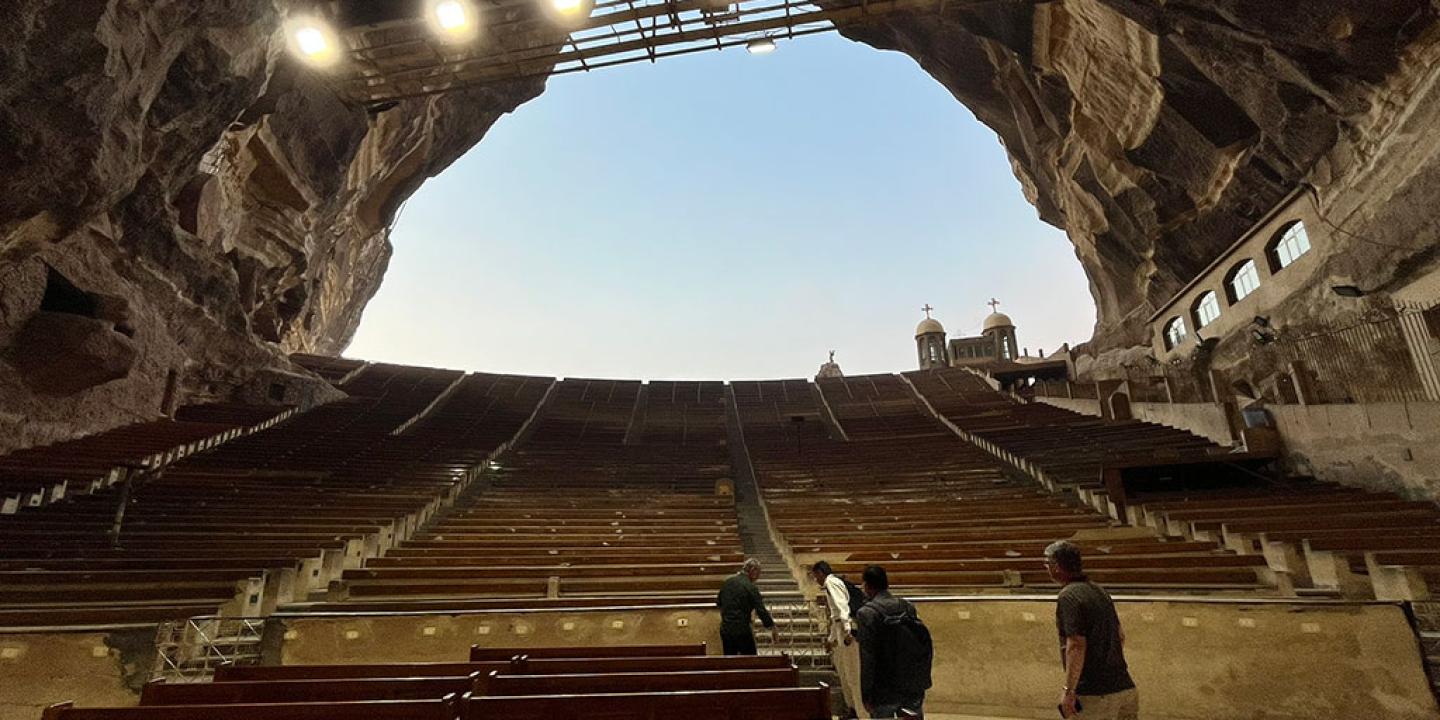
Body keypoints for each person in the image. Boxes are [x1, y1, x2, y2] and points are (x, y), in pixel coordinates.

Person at [1044, 540, 1139, 720]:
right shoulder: (1099, 591)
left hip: (1095, 696)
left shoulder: (1068, 596)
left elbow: (1076, 645)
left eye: (1047, 563)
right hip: (1125, 688)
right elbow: (1120, 637)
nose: (1045, 568)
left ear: (1057, 566)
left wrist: (1069, 691)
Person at [854, 565, 932, 718]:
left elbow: (868, 657)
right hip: (912, 682)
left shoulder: (866, 613)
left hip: (883, 687)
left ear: (867, 586)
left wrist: (866, 694)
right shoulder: (907, 606)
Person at [811, 561, 866, 718]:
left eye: (816, 576)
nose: (816, 580)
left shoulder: (831, 582)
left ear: (821, 573)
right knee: (847, 675)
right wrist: (831, 639)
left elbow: (842, 608)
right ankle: (853, 709)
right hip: (841, 631)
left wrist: (848, 631)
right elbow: (835, 616)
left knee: (854, 676)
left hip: (847, 633)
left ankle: (861, 713)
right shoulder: (833, 583)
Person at [716, 558, 777, 655]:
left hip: (725, 629)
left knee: (730, 662)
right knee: (750, 661)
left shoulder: (727, 582)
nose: (758, 577)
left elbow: (719, 603)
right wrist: (772, 626)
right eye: (758, 573)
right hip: (742, 630)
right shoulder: (750, 587)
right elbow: (761, 610)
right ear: (753, 570)